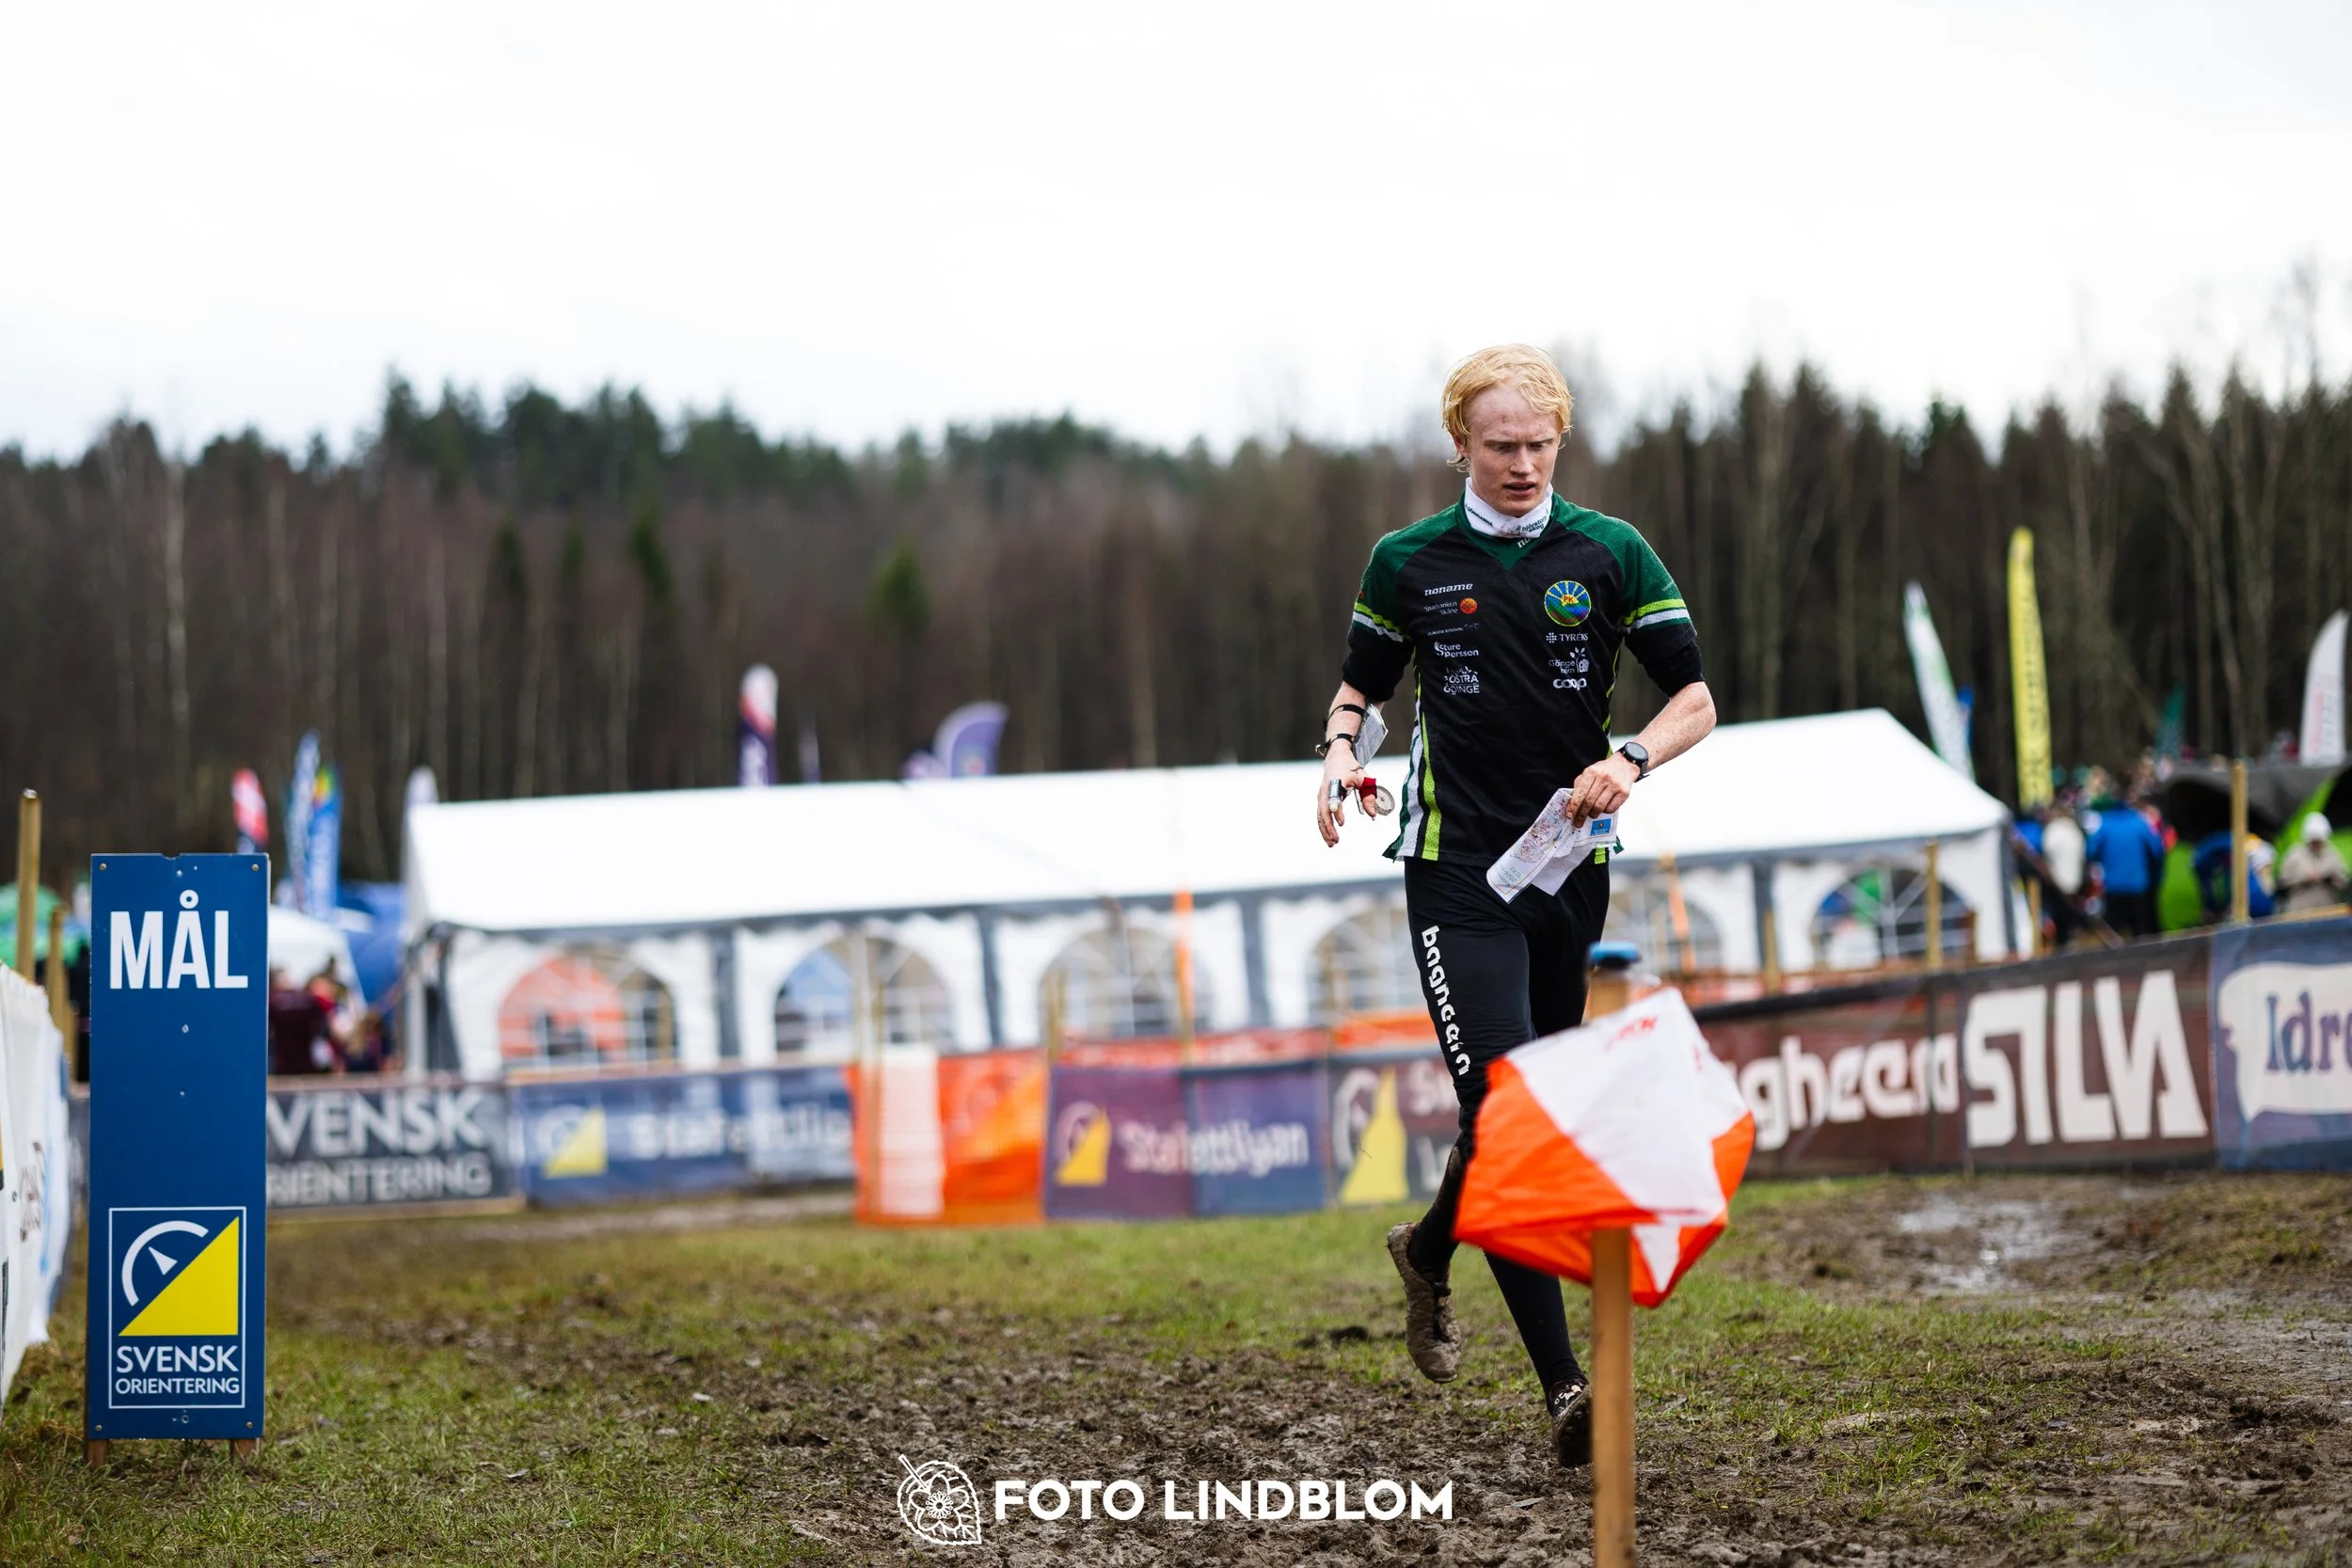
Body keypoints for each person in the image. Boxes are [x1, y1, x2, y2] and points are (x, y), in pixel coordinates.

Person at [1315, 344, 1716, 1470]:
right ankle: (1565, 1389)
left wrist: (1631, 757)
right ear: (1458, 444)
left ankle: (1430, 1247)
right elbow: (1361, 689)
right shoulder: (1407, 560)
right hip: (1453, 868)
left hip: (1567, 866)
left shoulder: (1612, 550)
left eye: (1540, 445)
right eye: (1500, 447)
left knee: (1522, 1119)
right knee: (1503, 1100)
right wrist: (1340, 753)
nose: (1522, 465)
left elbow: (1694, 697)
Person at [2089, 797, 2166, 938]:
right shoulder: (2139, 822)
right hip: (2138, 887)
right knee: (2141, 934)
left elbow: (2091, 851)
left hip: (2114, 887)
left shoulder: (2106, 823)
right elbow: (2157, 850)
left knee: (2116, 936)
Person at [2279, 815, 2349, 914]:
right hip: (2300, 911)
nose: (2317, 845)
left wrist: (2332, 879)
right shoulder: (2294, 855)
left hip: (2328, 909)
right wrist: (2303, 879)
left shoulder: (2332, 854)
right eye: (2314, 841)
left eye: (2319, 841)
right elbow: (2283, 881)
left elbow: (2343, 880)